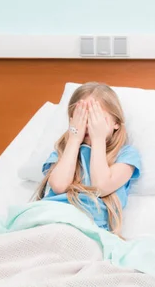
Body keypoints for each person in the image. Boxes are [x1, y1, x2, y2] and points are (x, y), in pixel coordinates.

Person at [35, 82, 141, 235]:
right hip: (50, 218)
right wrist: (74, 139)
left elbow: (101, 187)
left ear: (116, 123)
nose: (89, 125)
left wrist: (98, 139)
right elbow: (58, 186)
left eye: (96, 118)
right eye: (82, 118)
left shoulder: (126, 155)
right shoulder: (64, 152)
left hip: (88, 228)